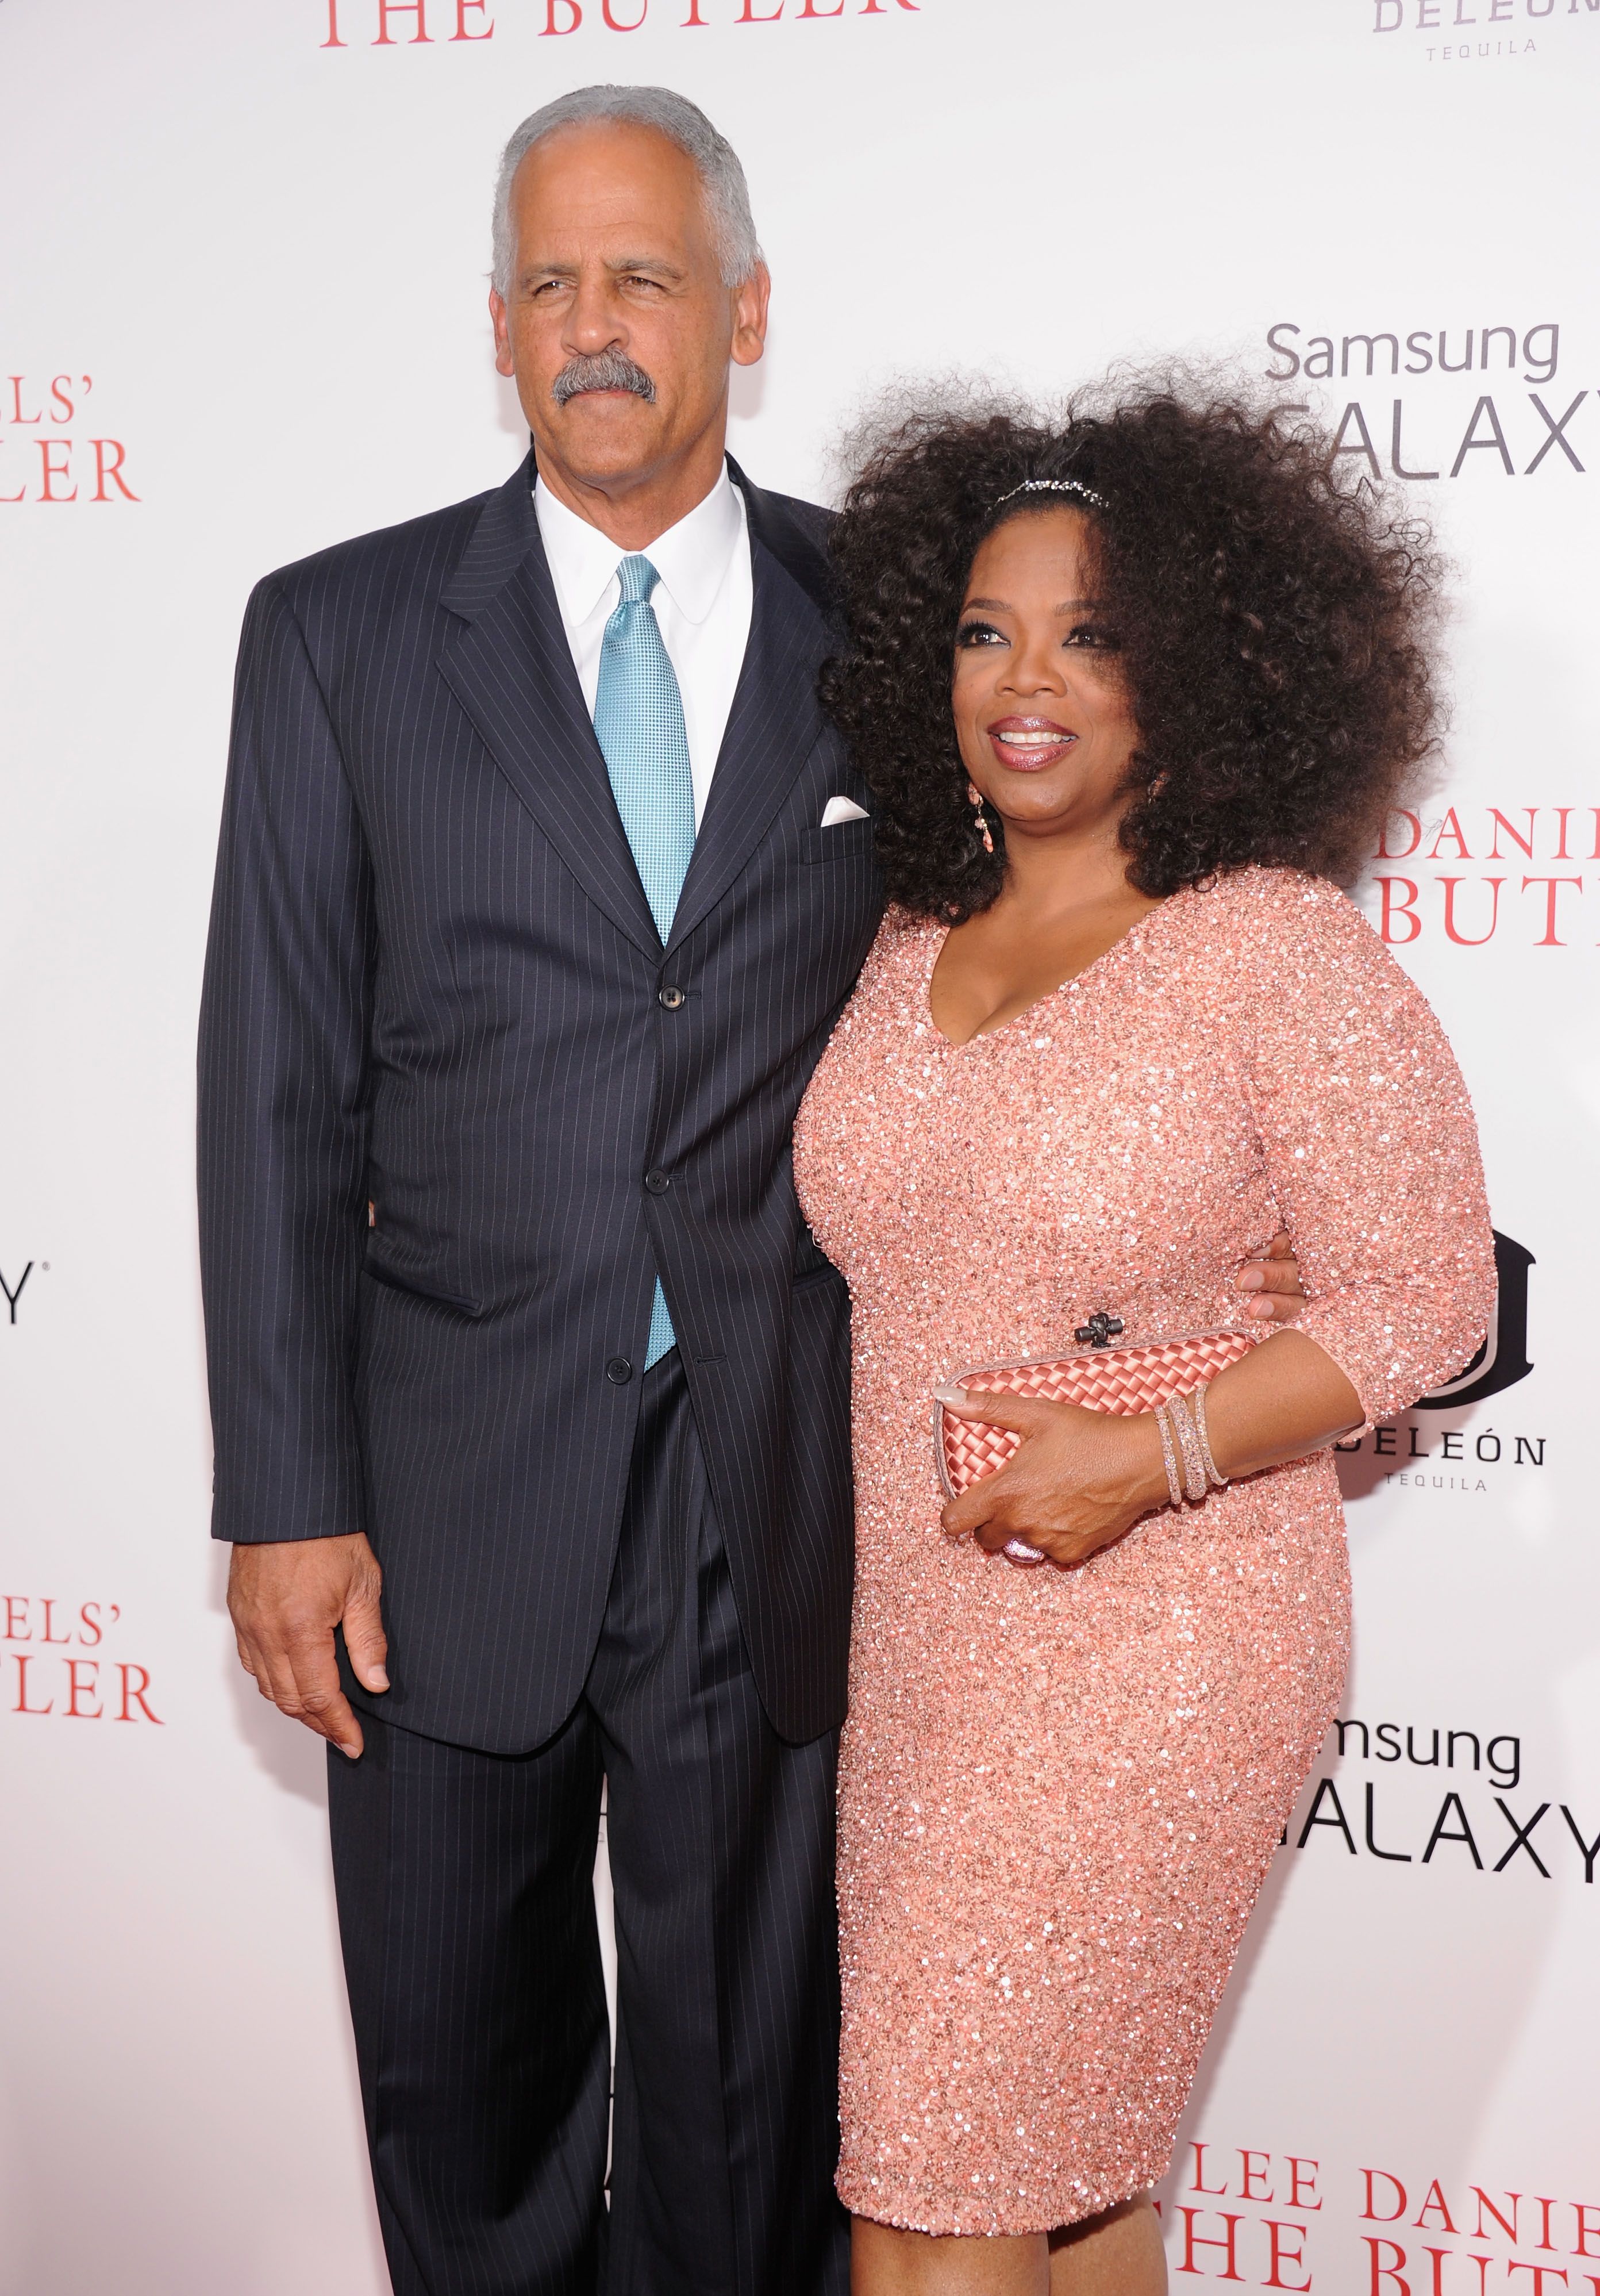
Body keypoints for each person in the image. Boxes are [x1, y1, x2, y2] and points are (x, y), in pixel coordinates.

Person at [198, 91, 1309, 2296]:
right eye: (551, 284)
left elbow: (1086, 926)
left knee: (748, 2130)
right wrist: (283, 1491)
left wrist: (1244, 1193)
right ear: (496, 327)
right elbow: (274, 1089)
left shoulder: (899, 639)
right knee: (463, 2100)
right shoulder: (333, 636)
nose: (595, 326)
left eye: (644, 278)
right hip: (431, 1502)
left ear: (748, 309)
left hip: (782, 1488)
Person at [792, 386, 1496, 2295]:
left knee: (933, 2200)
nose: (1029, 680)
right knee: (1080, 2189)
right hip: (930, 1644)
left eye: (1094, 633)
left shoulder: (1269, 944)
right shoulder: (902, 927)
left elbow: (1432, 1295)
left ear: (1196, 668)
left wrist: (1152, 1447)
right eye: (986, 630)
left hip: (1165, 1639)